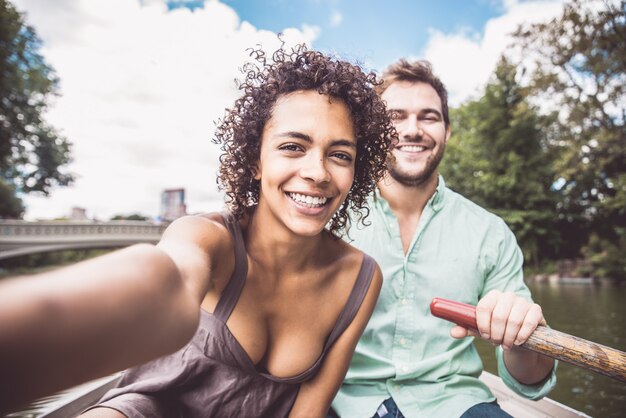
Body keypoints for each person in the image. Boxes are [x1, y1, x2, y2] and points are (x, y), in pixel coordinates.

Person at [0, 45, 396, 417]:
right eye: (293, 146)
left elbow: (310, 405)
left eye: (340, 155)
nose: (318, 172)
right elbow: (162, 284)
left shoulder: (359, 278)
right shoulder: (206, 237)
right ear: (255, 161)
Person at [331, 59, 557, 418]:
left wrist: (524, 334)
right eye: (396, 117)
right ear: (373, 130)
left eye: (428, 117)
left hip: (456, 402)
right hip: (341, 401)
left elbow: (528, 379)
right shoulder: (330, 214)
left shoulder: (490, 233)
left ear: (447, 131)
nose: (412, 129)